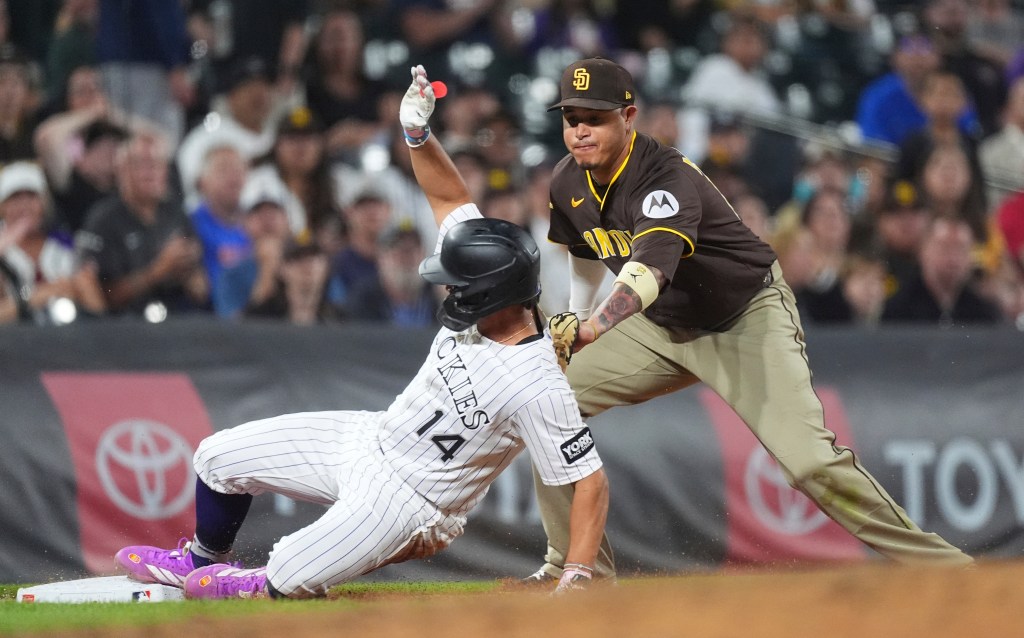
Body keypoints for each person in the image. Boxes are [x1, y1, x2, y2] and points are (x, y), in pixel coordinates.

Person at [113, 65, 608, 599]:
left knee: (284, 572)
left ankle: (251, 585)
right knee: (215, 456)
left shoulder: (536, 381)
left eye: (456, 283)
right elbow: (447, 196)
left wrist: (578, 572)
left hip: (413, 503)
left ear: (489, 293)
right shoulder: (489, 267)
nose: (447, 289)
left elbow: (590, 482)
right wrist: (418, 134)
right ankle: (199, 557)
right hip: (370, 438)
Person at [527, 56, 974, 583]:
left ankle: (954, 573)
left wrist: (590, 328)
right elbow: (585, 248)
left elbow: (647, 273)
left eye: (595, 117)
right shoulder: (567, 182)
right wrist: (579, 315)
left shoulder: (664, 176)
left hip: (742, 317)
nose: (579, 129)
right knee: (545, 403)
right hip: (660, 328)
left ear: (629, 117)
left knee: (809, 464)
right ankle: (576, 569)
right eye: (571, 117)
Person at [75, 133, 209, 317]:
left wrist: (192, 277)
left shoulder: (176, 214)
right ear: (121, 170)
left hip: (177, 318)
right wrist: (158, 271)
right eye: (141, 164)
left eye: (157, 164)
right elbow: (104, 296)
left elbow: (200, 285)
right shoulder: (104, 220)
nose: (150, 172)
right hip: (126, 326)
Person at [0, 161, 105, 324]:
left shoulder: (65, 244)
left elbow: (98, 311)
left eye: (31, 196)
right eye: (15, 198)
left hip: (63, 339)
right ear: (3, 206)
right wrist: (41, 296)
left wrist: (80, 286)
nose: (24, 205)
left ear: (43, 203)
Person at [881, 215, 1001, 326]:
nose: (953, 258)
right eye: (945, 248)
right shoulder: (898, 309)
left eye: (961, 249)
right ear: (923, 251)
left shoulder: (984, 313)